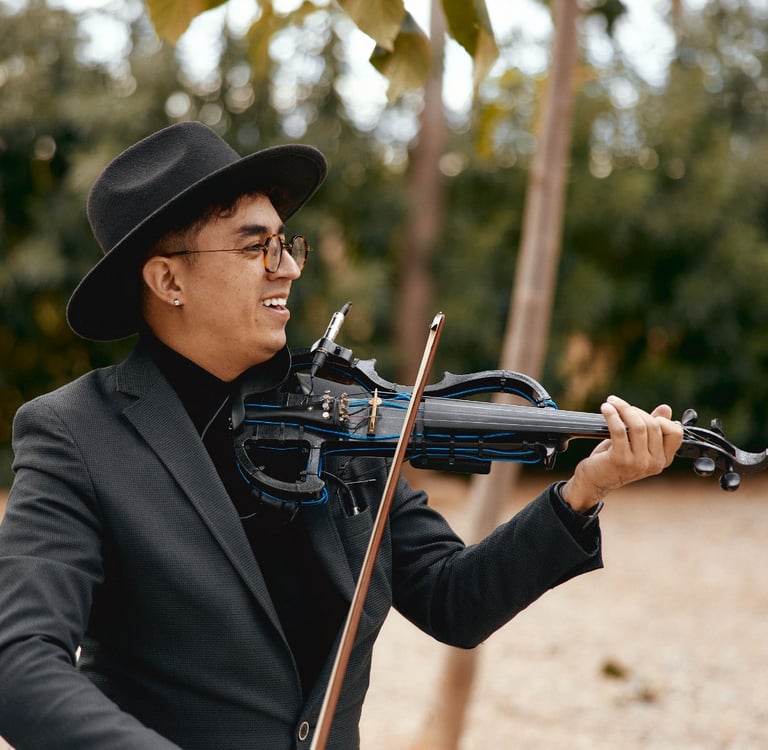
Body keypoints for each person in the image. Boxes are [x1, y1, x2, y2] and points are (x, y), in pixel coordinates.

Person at [0, 122, 683, 750]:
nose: (288, 267)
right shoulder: (74, 435)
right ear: (168, 279)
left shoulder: (338, 420)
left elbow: (454, 599)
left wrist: (584, 490)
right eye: (253, 246)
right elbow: (20, 665)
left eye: (284, 243)